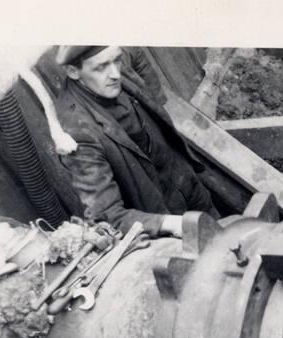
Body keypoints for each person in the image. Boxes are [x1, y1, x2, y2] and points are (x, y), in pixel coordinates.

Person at [55, 45, 218, 237]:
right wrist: (171, 223)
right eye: (101, 67)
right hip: (161, 219)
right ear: (73, 71)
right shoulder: (78, 132)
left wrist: (157, 99)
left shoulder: (111, 69)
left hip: (187, 183)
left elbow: (135, 53)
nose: (116, 74)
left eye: (117, 60)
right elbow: (107, 216)